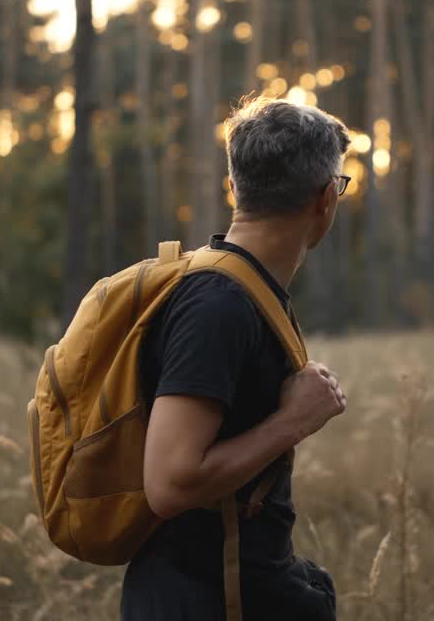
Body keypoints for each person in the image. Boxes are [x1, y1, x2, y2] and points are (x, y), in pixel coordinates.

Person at [120, 97, 352, 620]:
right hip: (203, 601)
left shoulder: (241, 292)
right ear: (324, 200)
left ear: (235, 189)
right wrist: (292, 421)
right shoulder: (219, 306)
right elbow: (170, 483)